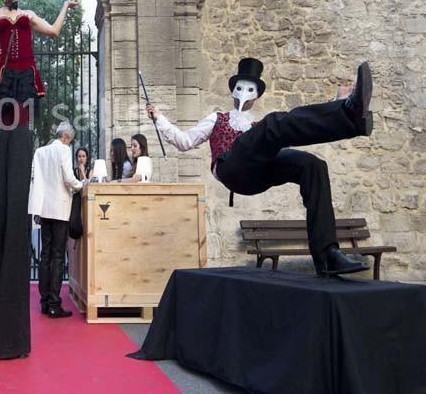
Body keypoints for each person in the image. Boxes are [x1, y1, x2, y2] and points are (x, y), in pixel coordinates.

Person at [146, 57, 372, 276]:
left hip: (258, 174)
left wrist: (334, 103)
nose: (244, 93)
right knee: (272, 124)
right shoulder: (219, 118)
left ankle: (327, 256)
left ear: (257, 96)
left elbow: (296, 130)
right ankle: (345, 113)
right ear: (233, 91)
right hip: (232, 169)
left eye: (250, 89)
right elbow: (185, 141)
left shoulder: (260, 128)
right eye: (240, 88)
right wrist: (159, 118)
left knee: (312, 165)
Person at [0, 0, 78, 359]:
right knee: (6, 132)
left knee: (21, 133)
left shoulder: (29, 15)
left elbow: (53, 31)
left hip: (25, 77)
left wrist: (65, 7)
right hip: (6, 77)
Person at [28, 122, 84, 318]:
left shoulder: (40, 152)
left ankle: (44, 301)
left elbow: (35, 179)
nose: (70, 143)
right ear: (66, 137)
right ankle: (54, 303)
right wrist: (81, 184)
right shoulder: (64, 150)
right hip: (60, 209)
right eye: (71, 140)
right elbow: (69, 177)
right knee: (58, 256)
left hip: (44, 209)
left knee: (45, 254)